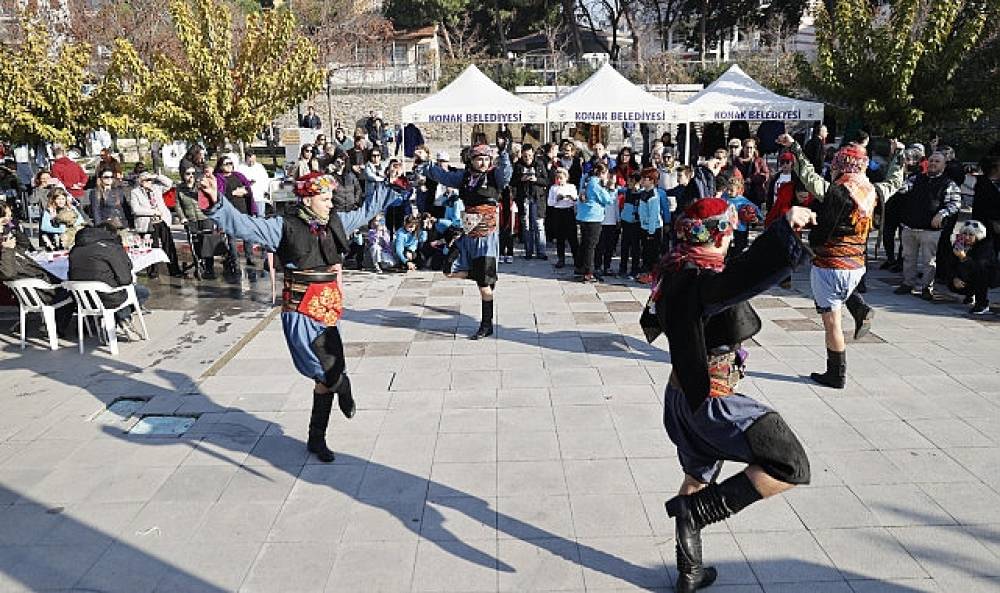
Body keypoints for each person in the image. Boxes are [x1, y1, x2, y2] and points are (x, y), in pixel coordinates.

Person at [642, 196, 816, 593]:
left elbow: (731, 275)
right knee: (790, 465)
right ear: (719, 233)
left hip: (681, 400)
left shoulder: (678, 268)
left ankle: (690, 572)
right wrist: (785, 229)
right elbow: (742, 277)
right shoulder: (701, 282)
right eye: (729, 231)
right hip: (714, 404)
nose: (731, 239)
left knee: (696, 476)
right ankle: (696, 513)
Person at [200, 169, 393, 462]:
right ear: (307, 198)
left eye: (331, 197)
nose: (330, 203)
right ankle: (342, 384)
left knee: (325, 373)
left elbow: (366, 211)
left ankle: (317, 438)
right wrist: (217, 201)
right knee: (326, 370)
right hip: (301, 309)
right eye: (325, 197)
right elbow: (243, 225)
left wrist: (393, 185)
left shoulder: (336, 222)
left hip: (327, 307)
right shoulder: (283, 226)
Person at [778, 134, 905, 389]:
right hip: (858, 266)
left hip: (830, 266)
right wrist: (898, 156)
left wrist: (795, 148)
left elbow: (808, 176)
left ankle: (836, 374)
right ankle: (859, 308)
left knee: (832, 321)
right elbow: (895, 180)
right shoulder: (875, 192)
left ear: (838, 165)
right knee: (843, 292)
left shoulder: (833, 191)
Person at [426, 142, 513, 339]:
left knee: (484, 285)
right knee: (448, 269)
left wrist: (504, 153)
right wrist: (426, 165)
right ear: (471, 160)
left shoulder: (494, 176)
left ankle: (486, 323)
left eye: (485, 159)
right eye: (478, 159)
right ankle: (480, 274)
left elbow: (506, 175)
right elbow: (444, 176)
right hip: (468, 230)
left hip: (486, 233)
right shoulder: (464, 177)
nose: (482, 163)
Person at [892, 151, 962, 300]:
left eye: (937, 161)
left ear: (944, 165)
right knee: (908, 258)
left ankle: (926, 287)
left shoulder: (949, 183)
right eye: (931, 160)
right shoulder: (915, 178)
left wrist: (942, 214)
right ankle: (908, 283)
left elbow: (955, 204)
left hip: (930, 230)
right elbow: (901, 189)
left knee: (929, 261)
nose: (933, 164)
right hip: (909, 226)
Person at [0, 203, 73, 336]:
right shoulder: (5, 250)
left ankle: (52, 324)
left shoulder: (8, 238)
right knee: (73, 290)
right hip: (38, 292)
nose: (9, 218)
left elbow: (24, 245)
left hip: (38, 285)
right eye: (6, 216)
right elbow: (7, 272)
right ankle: (55, 328)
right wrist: (7, 249)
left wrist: (13, 228)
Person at [68, 223, 150, 340]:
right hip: (109, 298)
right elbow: (125, 280)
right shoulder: (111, 248)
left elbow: (70, 275)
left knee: (116, 289)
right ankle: (122, 319)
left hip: (83, 300)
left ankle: (108, 320)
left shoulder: (74, 250)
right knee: (141, 292)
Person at [129, 172, 184, 278]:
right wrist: (153, 212)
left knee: (168, 245)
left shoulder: (156, 188)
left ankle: (174, 270)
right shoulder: (135, 192)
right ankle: (153, 272)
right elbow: (135, 209)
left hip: (161, 221)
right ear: (140, 181)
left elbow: (169, 183)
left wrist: (158, 176)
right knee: (151, 248)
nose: (148, 182)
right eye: (146, 180)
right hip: (147, 223)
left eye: (150, 180)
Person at [949, 220, 997, 315]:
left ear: (977, 235)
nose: (966, 237)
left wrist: (963, 257)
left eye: (971, 234)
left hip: (990, 276)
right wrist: (954, 278)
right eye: (964, 234)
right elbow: (949, 264)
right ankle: (969, 295)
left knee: (981, 270)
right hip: (968, 275)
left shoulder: (985, 245)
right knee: (952, 282)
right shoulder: (959, 243)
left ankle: (982, 304)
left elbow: (978, 266)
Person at [577, 162, 613, 283]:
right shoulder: (596, 184)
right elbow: (607, 200)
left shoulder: (585, 179)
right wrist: (610, 189)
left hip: (584, 215)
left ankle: (580, 266)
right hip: (593, 217)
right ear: (602, 173)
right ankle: (589, 272)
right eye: (606, 174)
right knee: (591, 245)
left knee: (585, 243)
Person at [512, 144, 549, 260]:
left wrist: (536, 179)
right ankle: (528, 251)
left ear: (533, 154)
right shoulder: (518, 166)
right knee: (526, 225)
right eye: (525, 156)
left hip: (537, 198)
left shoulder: (539, 164)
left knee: (539, 225)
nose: (527, 158)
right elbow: (512, 181)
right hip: (524, 198)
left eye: (529, 155)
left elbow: (547, 180)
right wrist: (520, 179)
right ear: (521, 155)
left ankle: (541, 251)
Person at [547, 167, 578, 270]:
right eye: (557, 178)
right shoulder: (553, 188)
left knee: (572, 237)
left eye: (561, 178)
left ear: (566, 178)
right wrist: (557, 199)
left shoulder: (571, 186)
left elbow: (575, 199)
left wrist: (570, 197)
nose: (559, 180)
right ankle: (561, 258)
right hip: (558, 212)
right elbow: (550, 203)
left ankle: (577, 258)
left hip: (568, 211)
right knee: (560, 237)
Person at [722, 175, 762, 256]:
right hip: (726, 228)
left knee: (740, 247)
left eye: (731, 190)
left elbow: (756, 209)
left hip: (741, 228)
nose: (729, 192)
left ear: (738, 190)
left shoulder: (743, 200)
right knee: (726, 248)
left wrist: (757, 218)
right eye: (727, 189)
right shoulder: (723, 197)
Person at [972, 155, 1000, 256]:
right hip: (986, 229)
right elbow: (985, 209)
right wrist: (994, 221)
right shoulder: (983, 186)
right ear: (994, 169)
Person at [736, 138, 769, 207]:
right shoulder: (737, 161)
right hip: (740, 193)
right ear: (743, 148)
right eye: (747, 147)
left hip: (756, 194)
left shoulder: (759, 161)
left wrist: (752, 179)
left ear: (754, 149)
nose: (749, 150)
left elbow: (765, 175)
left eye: (751, 148)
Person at [237, 152, 270, 219]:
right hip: (247, 196)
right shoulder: (240, 168)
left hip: (259, 196)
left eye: (254, 160)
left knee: (260, 215)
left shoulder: (259, 167)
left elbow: (265, 179)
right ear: (246, 159)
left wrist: (265, 190)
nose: (252, 163)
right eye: (250, 161)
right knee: (250, 216)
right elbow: (238, 181)